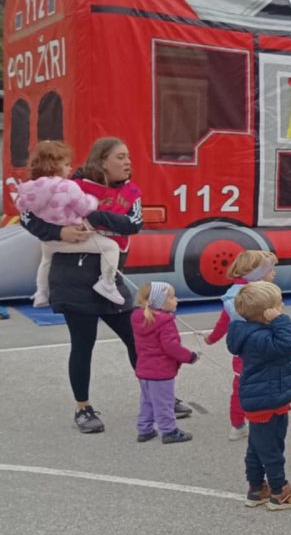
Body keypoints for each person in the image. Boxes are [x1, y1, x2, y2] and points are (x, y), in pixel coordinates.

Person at [19, 137, 192, 433]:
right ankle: (83, 409)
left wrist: (92, 216)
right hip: (72, 277)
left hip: (110, 278)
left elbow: (132, 224)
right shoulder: (71, 183)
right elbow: (26, 216)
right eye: (120, 157)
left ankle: (158, 395)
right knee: (83, 345)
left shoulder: (131, 193)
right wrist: (59, 231)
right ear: (101, 161)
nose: (127, 162)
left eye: (128, 157)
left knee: (138, 339)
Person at [227, 281, 291, 511]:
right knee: (273, 450)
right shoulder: (261, 337)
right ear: (267, 313)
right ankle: (279, 491)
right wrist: (281, 321)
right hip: (267, 400)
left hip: (263, 397)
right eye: (278, 305)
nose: (282, 307)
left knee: (257, 447)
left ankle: (256, 488)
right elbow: (288, 345)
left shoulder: (250, 331)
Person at [16, 140, 123, 306]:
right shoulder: (67, 187)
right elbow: (85, 208)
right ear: (55, 166)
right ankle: (108, 283)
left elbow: (23, 211)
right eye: (66, 164)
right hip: (73, 236)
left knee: (46, 261)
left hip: (48, 241)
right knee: (111, 247)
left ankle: (41, 292)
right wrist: (93, 199)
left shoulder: (29, 189)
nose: (70, 168)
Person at [204, 250, 278, 440]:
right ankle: (265, 422)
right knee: (266, 385)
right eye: (271, 270)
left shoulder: (231, 297)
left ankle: (237, 425)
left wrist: (212, 338)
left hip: (241, 354)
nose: (274, 273)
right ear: (258, 275)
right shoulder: (263, 297)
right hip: (264, 351)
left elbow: (223, 322)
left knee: (240, 387)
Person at [131, 281, 198, 444]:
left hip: (144, 368)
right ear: (161, 302)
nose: (176, 300)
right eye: (173, 297)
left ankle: (145, 429)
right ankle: (169, 431)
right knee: (164, 403)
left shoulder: (139, 317)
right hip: (161, 370)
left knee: (147, 401)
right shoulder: (165, 322)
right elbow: (171, 346)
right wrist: (189, 356)